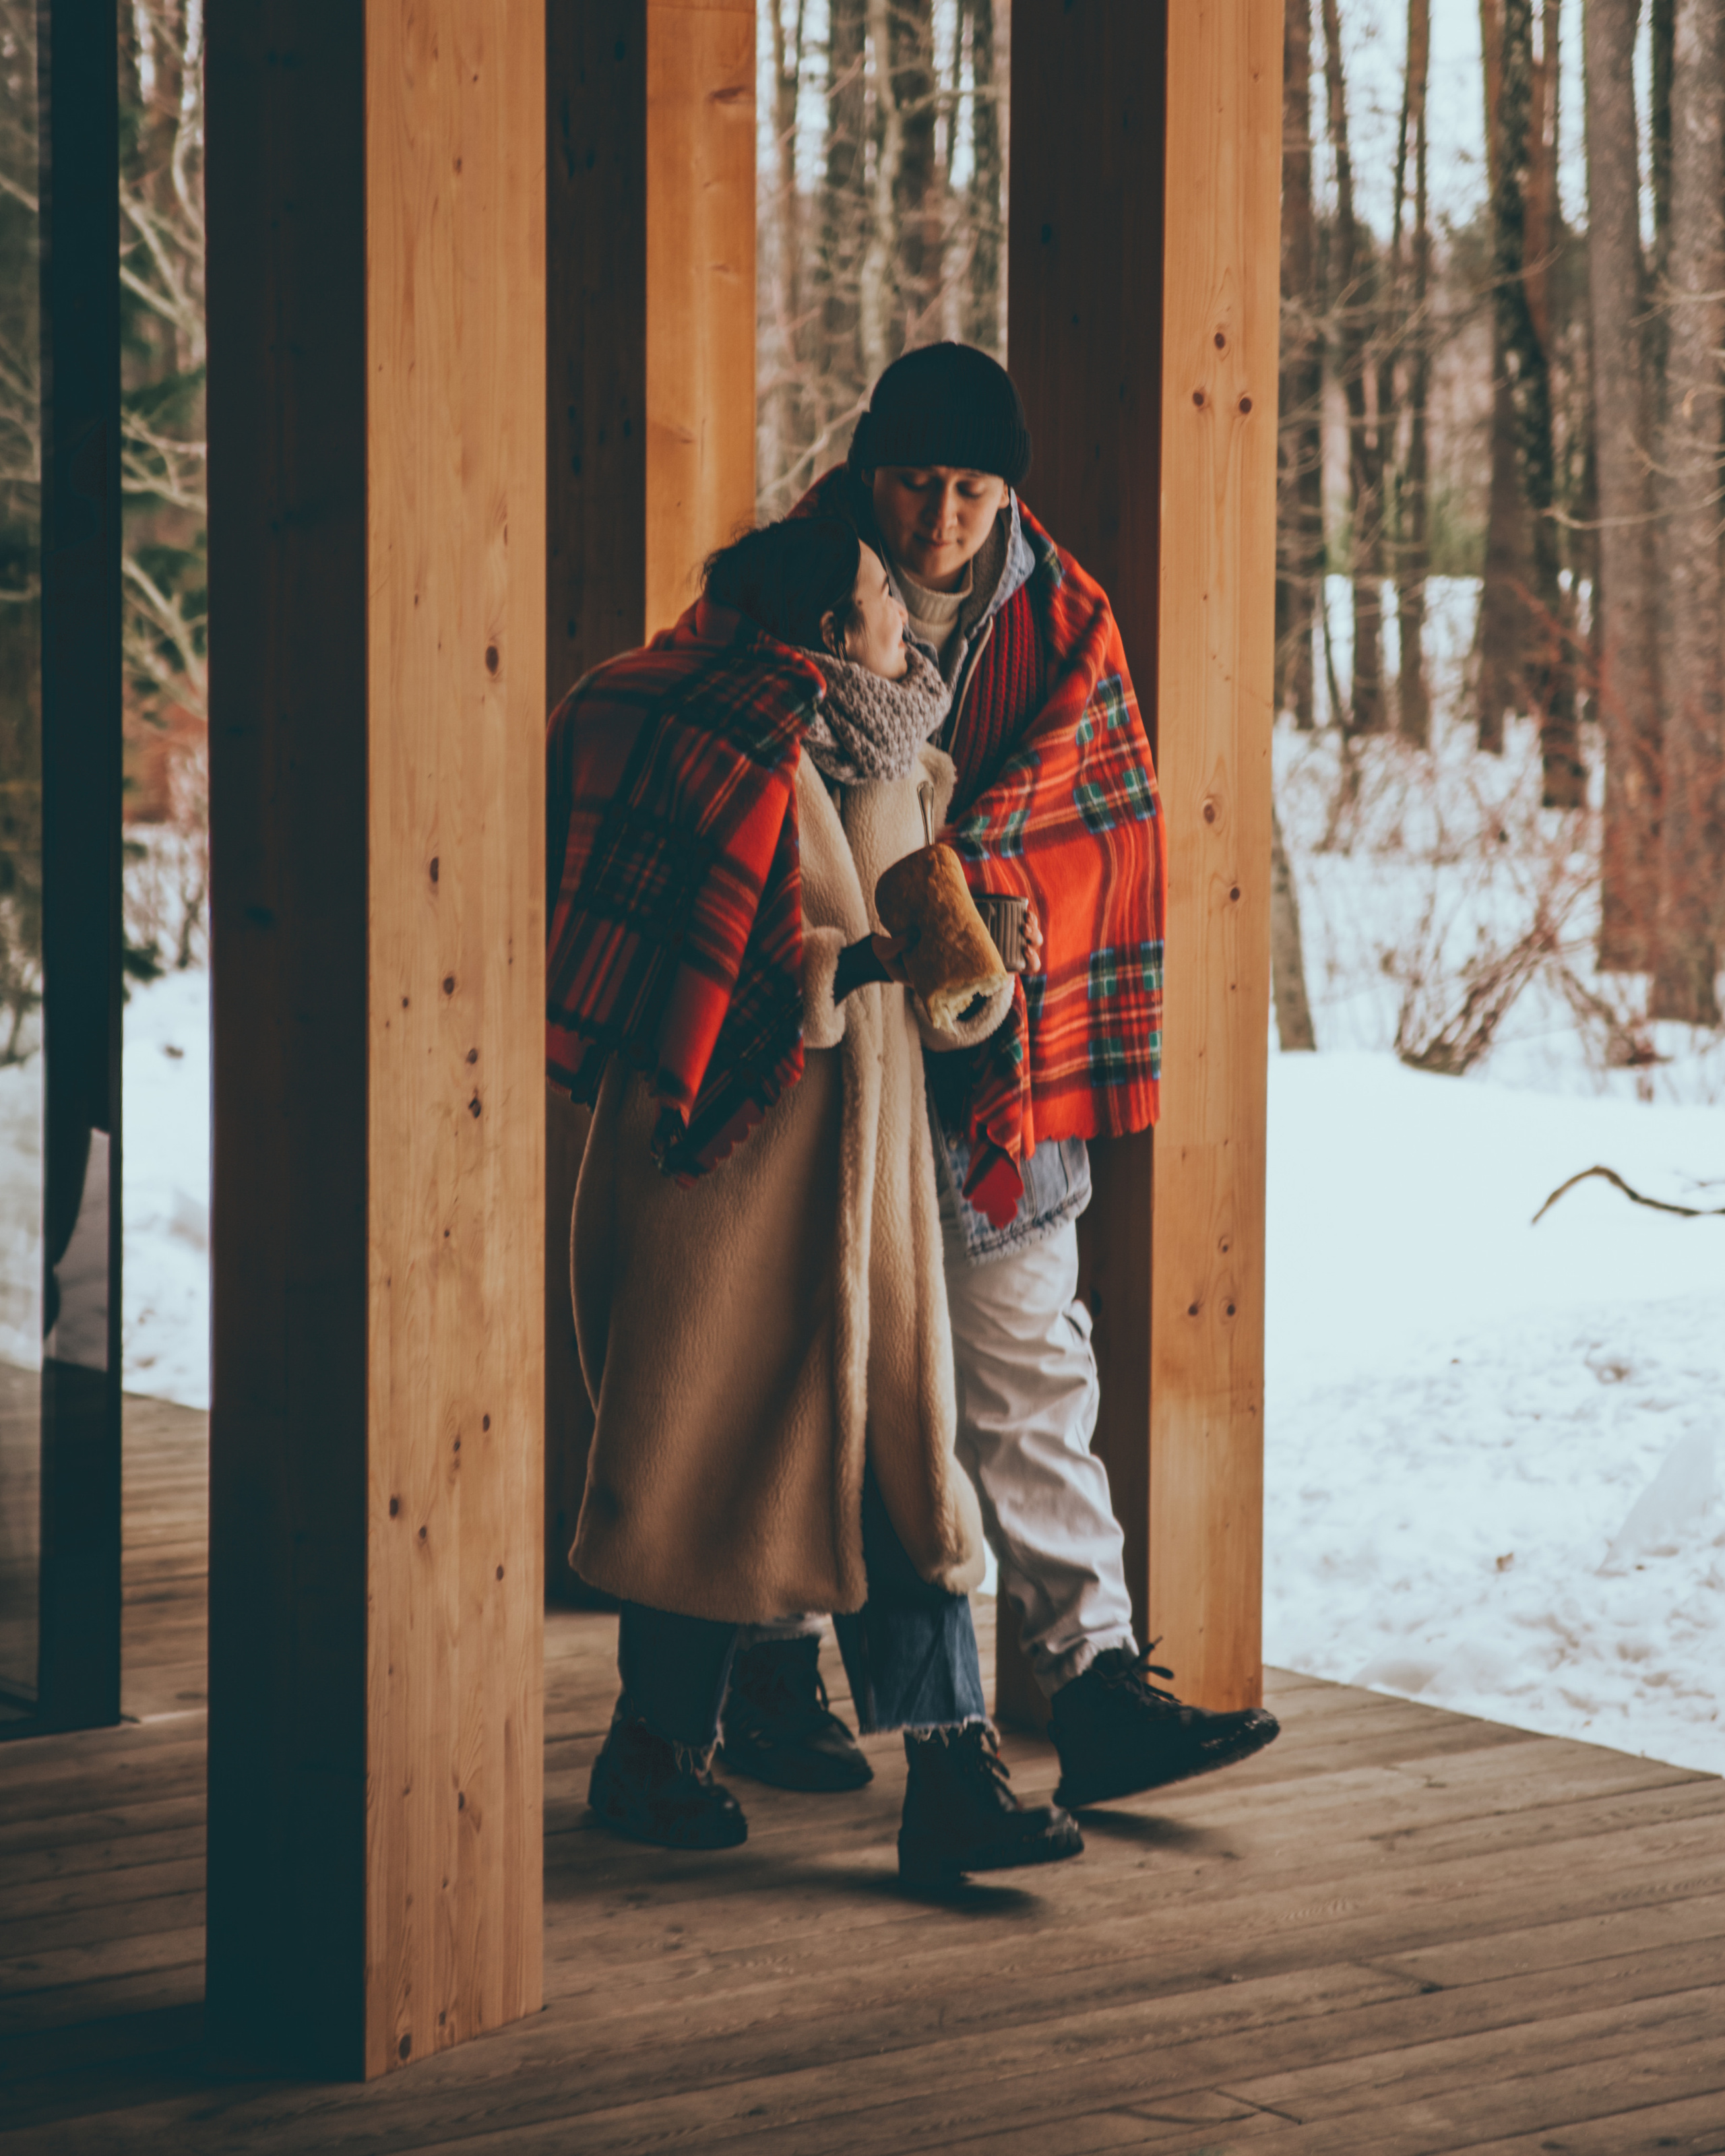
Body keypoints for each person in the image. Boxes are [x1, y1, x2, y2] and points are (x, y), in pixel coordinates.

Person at [719, 343, 1282, 1811]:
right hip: (830, 1034)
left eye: (973, 489)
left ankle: (1095, 1682)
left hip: (993, 1055)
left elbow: (1099, 819)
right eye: (916, 481)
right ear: (868, 470)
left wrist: (983, 891)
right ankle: (769, 1669)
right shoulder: (784, 582)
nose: (942, 517)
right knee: (811, 1354)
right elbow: (719, 771)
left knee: (1031, 1360)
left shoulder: (1065, 615)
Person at [545, 514, 1083, 1883]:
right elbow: (703, 966)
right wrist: (855, 965)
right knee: (709, 1462)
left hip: (865, 1192)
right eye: (880, 596)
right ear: (827, 629)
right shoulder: (728, 747)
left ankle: (950, 1774)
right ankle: (654, 1752)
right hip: (724, 1186)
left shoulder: (897, 756)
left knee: (898, 1466)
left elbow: (928, 979)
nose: (907, 609)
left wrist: (982, 955)